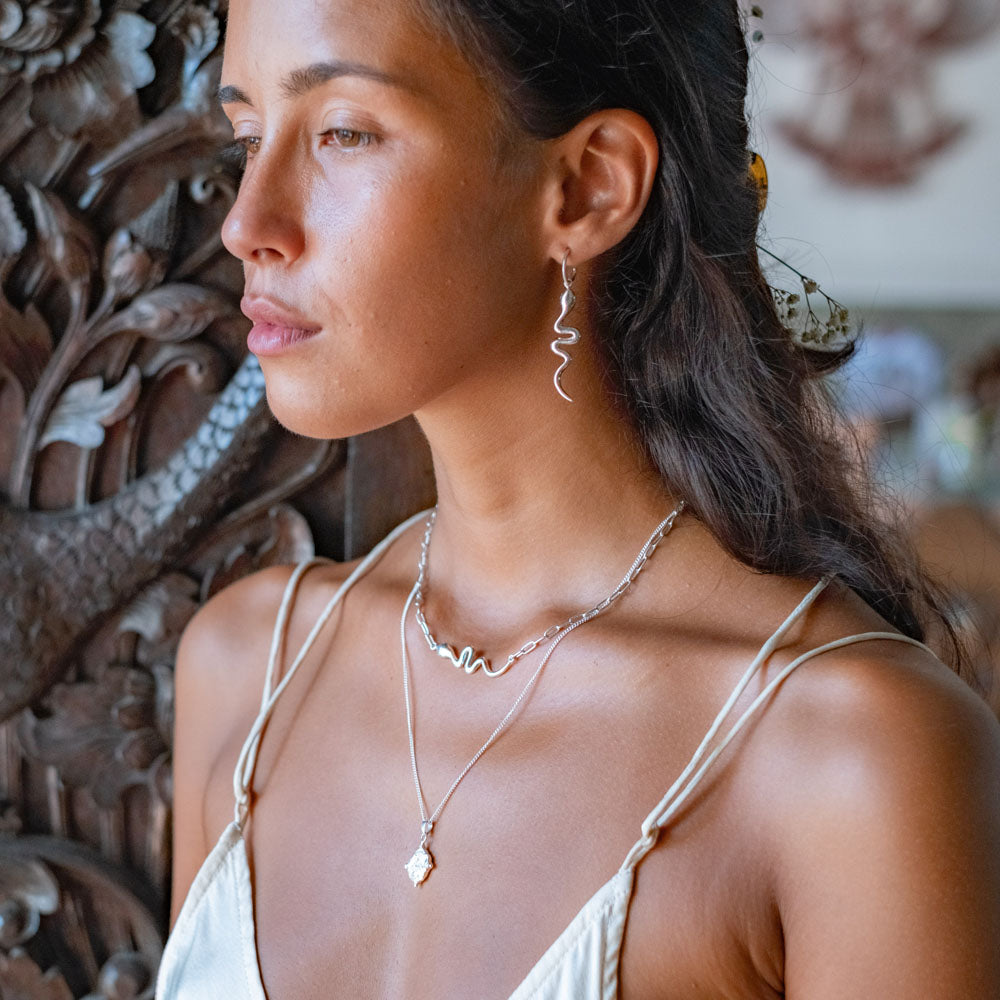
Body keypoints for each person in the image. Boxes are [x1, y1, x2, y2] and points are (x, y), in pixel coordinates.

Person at [157, 0, 1000, 997]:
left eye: (344, 131)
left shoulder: (849, 753)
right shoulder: (247, 671)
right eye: (249, 135)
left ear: (586, 187)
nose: (248, 224)